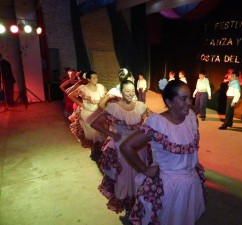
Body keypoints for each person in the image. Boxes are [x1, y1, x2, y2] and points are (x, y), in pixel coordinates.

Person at [119, 80, 206, 225]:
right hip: (169, 187)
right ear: (169, 102)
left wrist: (193, 163)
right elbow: (127, 146)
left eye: (190, 97)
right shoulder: (158, 123)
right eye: (183, 98)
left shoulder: (191, 117)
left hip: (191, 181)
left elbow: (190, 149)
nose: (189, 102)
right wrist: (145, 169)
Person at [90, 80, 152, 218]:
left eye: (132, 91)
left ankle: (137, 202)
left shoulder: (141, 106)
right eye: (127, 91)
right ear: (121, 92)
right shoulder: (113, 107)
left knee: (139, 173)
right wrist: (112, 134)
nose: (130, 94)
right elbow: (95, 123)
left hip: (139, 146)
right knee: (124, 176)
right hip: (122, 147)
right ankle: (128, 204)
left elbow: (155, 119)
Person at [68, 70, 107, 161]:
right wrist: (81, 104)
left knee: (100, 132)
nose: (96, 79)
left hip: (99, 112)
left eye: (96, 77)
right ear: (88, 79)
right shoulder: (83, 88)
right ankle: (94, 150)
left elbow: (107, 95)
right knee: (92, 133)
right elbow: (70, 95)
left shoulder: (101, 87)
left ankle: (101, 150)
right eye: (93, 77)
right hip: (88, 113)